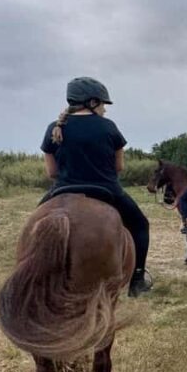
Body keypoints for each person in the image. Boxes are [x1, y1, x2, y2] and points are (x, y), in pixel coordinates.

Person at [41, 77, 152, 298]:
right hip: (106, 189)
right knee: (140, 224)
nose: (104, 110)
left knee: (34, 225)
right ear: (92, 102)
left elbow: (52, 173)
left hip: (63, 189)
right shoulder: (108, 127)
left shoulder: (54, 128)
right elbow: (119, 167)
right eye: (103, 104)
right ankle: (137, 279)